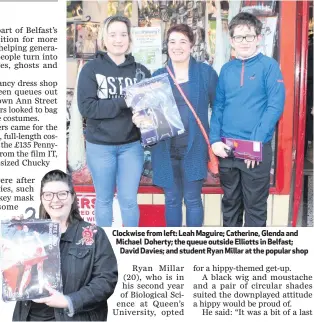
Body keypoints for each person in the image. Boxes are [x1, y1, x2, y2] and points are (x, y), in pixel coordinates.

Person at [134, 24, 218, 227]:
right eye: (172, 42)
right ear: (167, 46)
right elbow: (150, 116)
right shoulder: (158, 75)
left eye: (183, 41)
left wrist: (216, 140)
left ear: (191, 45)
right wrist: (140, 120)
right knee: (171, 200)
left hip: (195, 148)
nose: (177, 46)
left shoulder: (206, 73)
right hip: (165, 149)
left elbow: (219, 109)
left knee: (193, 200)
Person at [210, 12, 286, 227]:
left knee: (255, 208)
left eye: (249, 36)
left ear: (258, 38)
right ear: (232, 41)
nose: (244, 42)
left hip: (256, 149)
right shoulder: (226, 70)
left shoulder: (269, 66)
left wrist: (255, 143)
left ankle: (252, 259)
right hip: (227, 149)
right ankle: (231, 255)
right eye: (239, 37)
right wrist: (215, 140)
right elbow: (219, 106)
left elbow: (275, 106)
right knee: (231, 205)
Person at [13, 170, 118, 321]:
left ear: (72, 197)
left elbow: (106, 280)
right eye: (48, 195)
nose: (55, 200)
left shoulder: (93, 234)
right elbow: (14, 272)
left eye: (62, 193)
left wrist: (68, 301)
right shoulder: (30, 233)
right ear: (42, 199)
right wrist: (13, 236)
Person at [77, 15, 151, 227]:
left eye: (123, 34)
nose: (118, 39)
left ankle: (130, 248)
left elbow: (148, 110)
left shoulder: (140, 72)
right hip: (100, 147)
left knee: (128, 201)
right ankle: (105, 252)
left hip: (131, 147)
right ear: (104, 38)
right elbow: (88, 108)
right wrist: (123, 102)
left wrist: (144, 117)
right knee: (104, 200)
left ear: (129, 39)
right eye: (113, 34)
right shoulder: (91, 70)